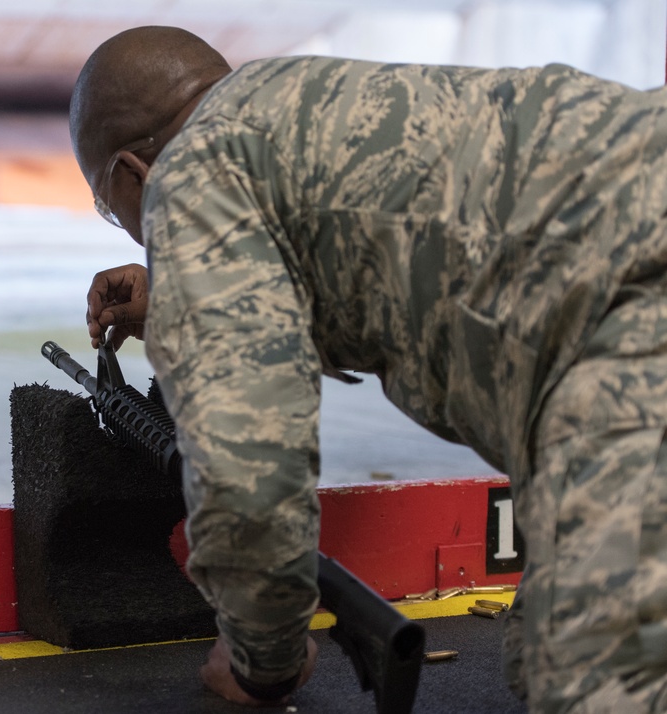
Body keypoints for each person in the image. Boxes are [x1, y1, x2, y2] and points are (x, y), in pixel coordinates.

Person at [70, 25, 667, 712]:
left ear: (127, 174)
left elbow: (251, 473)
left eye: (106, 205)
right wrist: (186, 299)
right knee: (546, 644)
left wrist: (263, 660)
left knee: (597, 680)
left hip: (633, 322)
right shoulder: (302, 103)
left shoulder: (190, 173)